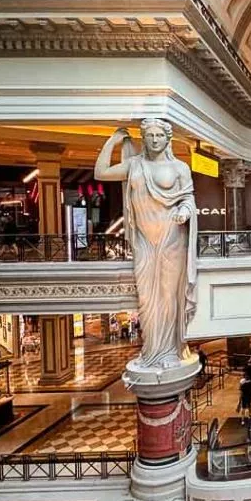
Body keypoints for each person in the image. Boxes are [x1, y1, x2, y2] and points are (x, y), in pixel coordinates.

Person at [94, 119, 198, 373]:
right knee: (147, 298)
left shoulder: (179, 167)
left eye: (158, 135)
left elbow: (188, 198)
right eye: (149, 135)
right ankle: (152, 351)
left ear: (167, 138)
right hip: (144, 243)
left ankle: (170, 350)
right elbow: (101, 173)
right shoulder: (134, 165)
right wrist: (113, 140)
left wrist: (184, 212)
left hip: (172, 240)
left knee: (168, 295)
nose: (153, 140)